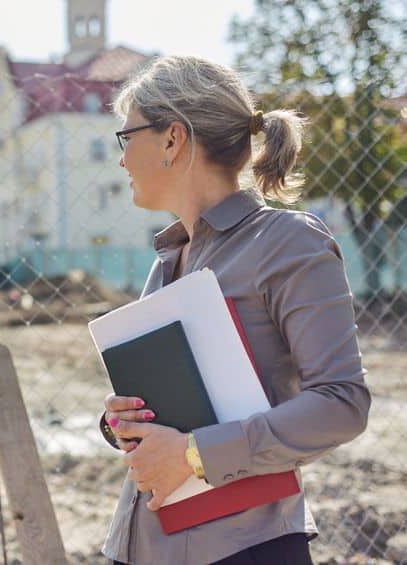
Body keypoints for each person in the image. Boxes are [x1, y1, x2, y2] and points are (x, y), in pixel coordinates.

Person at [99, 55, 371, 564]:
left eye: (126, 137)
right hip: (141, 545)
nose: (121, 158)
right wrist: (126, 421)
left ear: (172, 139)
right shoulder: (167, 261)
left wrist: (195, 455)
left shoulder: (287, 242)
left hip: (244, 549)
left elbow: (341, 403)